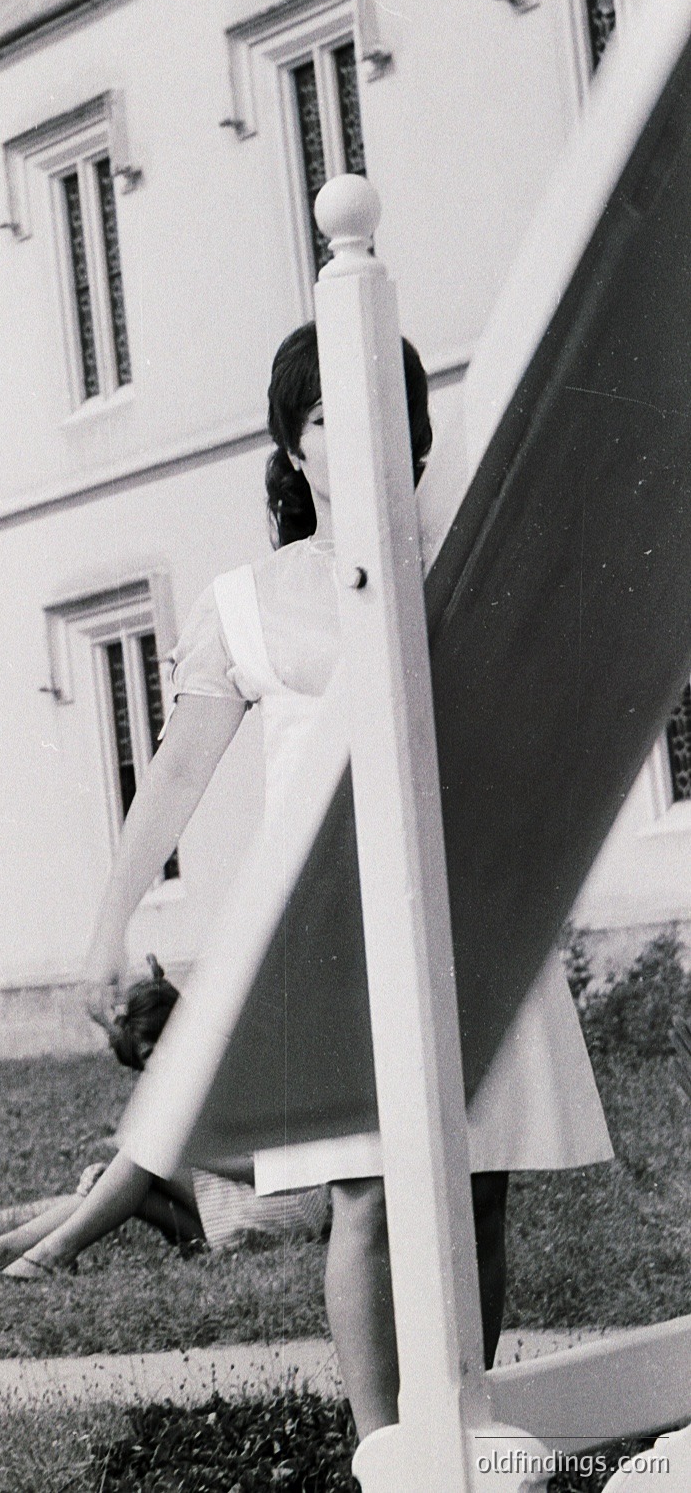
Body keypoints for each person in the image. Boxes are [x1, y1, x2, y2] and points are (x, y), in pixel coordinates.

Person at [68, 323, 613, 1439]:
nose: (347, 439)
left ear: (410, 433)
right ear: (292, 444)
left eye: (373, 415)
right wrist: (108, 924)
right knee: (362, 1192)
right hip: (337, 923)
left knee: (479, 1181)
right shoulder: (247, 602)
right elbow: (176, 772)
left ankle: (464, 1427)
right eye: (322, 418)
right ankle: (381, 1449)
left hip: (474, 903)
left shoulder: (473, 547)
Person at [0, 961, 327, 1279]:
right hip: (230, 1218)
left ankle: (42, 1255)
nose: (155, 1071)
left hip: (285, 1208)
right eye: (145, 1065)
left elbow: (279, 1170)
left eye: (152, 1054)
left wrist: (180, 1153)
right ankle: (7, 1253)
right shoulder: (189, 1082)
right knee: (123, 1182)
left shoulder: (235, 1068)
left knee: (146, 1151)